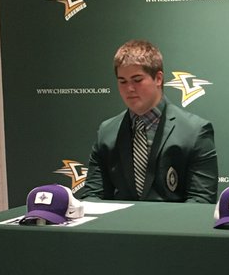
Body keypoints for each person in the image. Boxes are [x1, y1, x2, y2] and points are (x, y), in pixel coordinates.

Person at [79, 39, 218, 202]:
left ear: (158, 79)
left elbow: (201, 200)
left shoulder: (195, 131)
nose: (129, 88)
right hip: (118, 225)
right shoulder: (107, 132)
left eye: (137, 80)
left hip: (172, 226)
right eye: (122, 81)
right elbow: (93, 194)